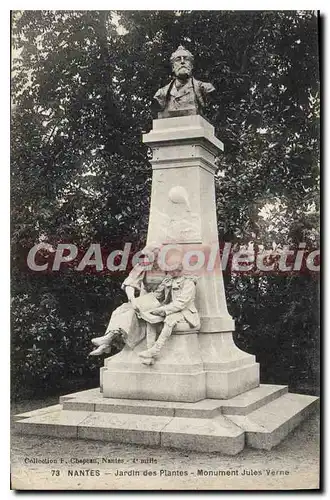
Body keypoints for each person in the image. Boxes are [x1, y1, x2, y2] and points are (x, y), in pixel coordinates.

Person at [89, 244, 163, 356]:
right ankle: (107, 342)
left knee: (131, 313)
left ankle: (107, 341)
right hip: (145, 300)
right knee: (120, 310)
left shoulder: (167, 267)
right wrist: (132, 298)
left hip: (160, 302)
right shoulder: (144, 264)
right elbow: (129, 282)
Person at [138, 264, 200, 365]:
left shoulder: (188, 282)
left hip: (185, 312)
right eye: (168, 271)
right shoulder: (170, 279)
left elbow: (181, 303)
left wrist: (163, 309)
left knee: (170, 319)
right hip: (169, 309)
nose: (169, 273)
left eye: (171, 271)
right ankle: (150, 352)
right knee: (151, 320)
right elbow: (158, 295)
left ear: (178, 269)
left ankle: (156, 349)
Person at [154, 45, 215, 117]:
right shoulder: (161, 93)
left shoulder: (205, 88)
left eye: (186, 59)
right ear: (173, 67)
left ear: (191, 66)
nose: (182, 62)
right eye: (178, 59)